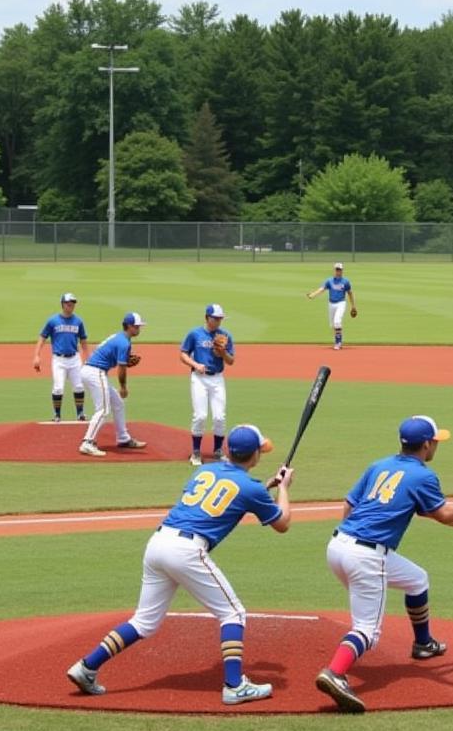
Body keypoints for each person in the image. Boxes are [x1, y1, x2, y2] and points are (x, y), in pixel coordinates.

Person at [67, 424, 293, 706]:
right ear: (255, 455)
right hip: (187, 551)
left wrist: (266, 486)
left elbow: (231, 492)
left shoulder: (205, 470)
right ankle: (234, 686)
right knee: (233, 613)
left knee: (143, 621)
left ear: (228, 451)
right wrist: (283, 489)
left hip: (158, 543)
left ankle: (87, 667)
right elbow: (282, 523)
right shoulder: (251, 488)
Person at [314, 415, 453, 714]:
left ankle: (424, 644)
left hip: (338, 545)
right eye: (435, 441)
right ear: (425, 444)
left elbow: (350, 505)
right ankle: (335, 672)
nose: (436, 446)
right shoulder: (423, 475)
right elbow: (444, 512)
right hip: (368, 556)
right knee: (368, 630)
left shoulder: (379, 465)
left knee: (416, 579)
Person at [78, 312, 149, 457]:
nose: (139, 329)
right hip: (95, 372)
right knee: (103, 410)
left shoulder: (120, 337)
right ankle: (87, 442)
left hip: (92, 370)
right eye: (137, 326)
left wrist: (125, 362)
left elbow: (114, 358)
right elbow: (121, 368)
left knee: (117, 403)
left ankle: (123, 438)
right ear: (129, 326)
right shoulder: (124, 342)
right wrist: (123, 386)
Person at [180, 304, 235, 466]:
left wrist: (223, 352)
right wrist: (196, 365)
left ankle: (218, 451)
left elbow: (231, 361)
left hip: (217, 379)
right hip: (199, 378)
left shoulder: (225, 335)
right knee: (200, 416)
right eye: (215, 318)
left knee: (219, 417)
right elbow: (183, 354)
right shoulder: (195, 334)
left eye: (220, 319)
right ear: (207, 318)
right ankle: (196, 452)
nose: (218, 321)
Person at [33, 292, 89, 422]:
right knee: (58, 388)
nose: (71, 306)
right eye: (68, 303)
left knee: (79, 386)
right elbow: (42, 338)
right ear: (63, 304)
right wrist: (36, 356)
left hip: (75, 358)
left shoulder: (78, 321)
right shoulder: (53, 321)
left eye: (73, 303)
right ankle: (57, 415)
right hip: (59, 359)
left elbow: (83, 341)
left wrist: (87, 357)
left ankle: (80, 414)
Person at [306, 262, 357, 350]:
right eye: (337, 269)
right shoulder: (329, 281)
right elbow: (322, 289)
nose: (338, 271)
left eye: (340, 270)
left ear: (342, 271)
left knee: (337, 321)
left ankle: (338, 343)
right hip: (331, 304)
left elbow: (350, 293)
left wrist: (353, 306)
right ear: (334, 270)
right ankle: (337, 340)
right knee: (333, 325)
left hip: (341, 303)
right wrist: (313, 294)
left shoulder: (345, 282)